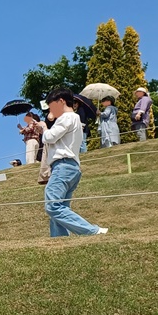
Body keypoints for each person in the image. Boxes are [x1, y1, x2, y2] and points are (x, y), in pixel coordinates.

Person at [41, 87, 108, 238]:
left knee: (52, 206)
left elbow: (49, 137)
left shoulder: (67, 117)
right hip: (71, 166)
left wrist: (44, 128)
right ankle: (60, 240)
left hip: (63, 166)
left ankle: (91, 230)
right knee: (60, 207)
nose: (51, 110)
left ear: (61, 101)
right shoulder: (75, 119)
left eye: (52, 105)